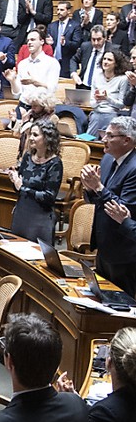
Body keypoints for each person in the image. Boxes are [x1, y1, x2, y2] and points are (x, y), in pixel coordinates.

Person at [81, 116, 136, 296]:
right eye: (105, 134)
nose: (104, 139)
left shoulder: (134, 169)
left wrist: (97, 187)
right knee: (101, 298)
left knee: (122, 303)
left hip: (123, 251)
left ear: (127, 140)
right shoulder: (107, 159)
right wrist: (89, 190)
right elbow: (97, 200)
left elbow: (122, 210)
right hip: (103, 246)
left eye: (110, 136)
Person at [5, 120, 63, 243]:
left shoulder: (55, 164)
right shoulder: (27, 157)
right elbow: (18, 188)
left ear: (47, 138)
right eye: (30, 134)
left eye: (35, 135)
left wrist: (22, 188)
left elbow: (49, 197)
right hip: (22, 213)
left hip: (40, 220)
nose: (30, 138)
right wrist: (14, 180)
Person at [6, 29, 60, 107]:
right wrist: (12, 81)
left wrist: (34, 82)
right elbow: (17, 94)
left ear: (42, 41)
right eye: (28, 41)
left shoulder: (52, 63)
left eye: (33, 40)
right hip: (23, 105)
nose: (29, 43)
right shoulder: (22, 64)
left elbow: (52, 89)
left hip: (42, 106)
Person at [88, 50, 130, 137]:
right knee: (88, 138)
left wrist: (107, 98)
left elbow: (121, 105)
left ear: (116, 64)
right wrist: (97, 100)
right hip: (96, 112)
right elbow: (92, 103)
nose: (105, 62)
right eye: (104, 59)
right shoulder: (96, 76)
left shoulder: (122, 79)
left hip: (111, 114)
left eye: (109, 60)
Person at [47, 1, 82, 78]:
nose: (59, 12)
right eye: (58, 9)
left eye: (62, 10)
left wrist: (65, 43)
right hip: (53, 62)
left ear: (68, 11)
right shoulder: (51, 26)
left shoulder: (75, 25)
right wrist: (49, 43)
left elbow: (77, 44)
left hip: (67, 63)